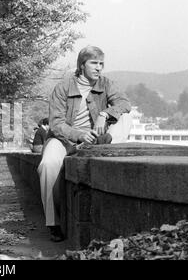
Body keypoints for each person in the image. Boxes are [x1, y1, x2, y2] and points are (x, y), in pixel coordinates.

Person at [37, 46, 132, 242]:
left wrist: (105, 114)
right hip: (64, 139)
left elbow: (125, 103)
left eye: (101, 64)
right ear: (82, 65)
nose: (99, 68)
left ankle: (106, 144)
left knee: (125, 118)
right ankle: (54, 223)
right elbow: (55, 124)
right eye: (94, 63)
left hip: (94, 139)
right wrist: (79, 135)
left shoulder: (106, 84)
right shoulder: (63, 87)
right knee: (48, 165)